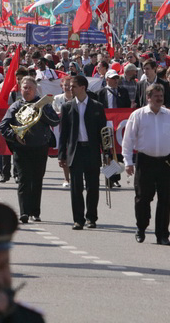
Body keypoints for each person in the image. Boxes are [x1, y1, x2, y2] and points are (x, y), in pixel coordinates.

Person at [122, 84, 170, 245]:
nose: (159, 98)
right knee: (143, 198)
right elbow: (128, 140)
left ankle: (162, 234)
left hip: (166, 161)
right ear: (148, 98)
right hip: (145, 161)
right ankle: (141, 227)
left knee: (165, 199)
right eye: (156, 96)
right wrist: (128, 162)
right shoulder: (138, 115)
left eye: (161, 95)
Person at [0, 77, 59, 224]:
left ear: (35, 89)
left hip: (40, 147)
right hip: (22, 148)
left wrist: (42, 110)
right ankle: (24, 212)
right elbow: (3, 126)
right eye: (24, 88)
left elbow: (56, 122)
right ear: (21, 89)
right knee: (24, 180)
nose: (27, 90)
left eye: (30, 88)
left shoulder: (44, 104)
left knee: (37, 180)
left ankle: (35, 212)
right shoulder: (16, 106)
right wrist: (14, 136)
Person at [58, 76, 107, 230]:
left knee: (93, 186)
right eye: (70, 86)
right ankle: (78, 219)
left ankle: (91, 217)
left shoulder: (97, 107)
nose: (70, 89)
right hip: (76, 151)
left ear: (83, 87)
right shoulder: (67, 107)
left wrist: (106, 154)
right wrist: (61, 155)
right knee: (76, 187)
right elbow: (63, 133)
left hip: (92, 150)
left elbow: (103, 133)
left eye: (73, 86)